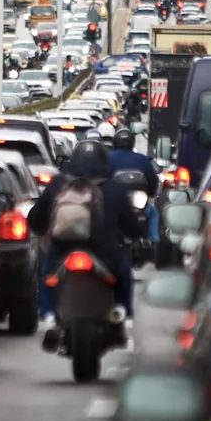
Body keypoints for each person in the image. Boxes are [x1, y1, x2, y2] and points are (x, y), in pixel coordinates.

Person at [28, 140, 145, 326]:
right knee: (123, 271)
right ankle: (123, 313)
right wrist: (139, 234)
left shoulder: (58, 184)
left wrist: (44, 232)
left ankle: (48, 313)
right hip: (105, 253)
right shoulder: (114, 188)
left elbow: (35, 219)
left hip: (62, 250)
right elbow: (131, 224)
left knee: (47, 274)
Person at [108, 129, 161, 246]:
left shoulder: (108, 158)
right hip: (139, 206)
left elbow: (102, 180)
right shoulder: (142, 160)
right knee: (153, 213)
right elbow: (152, 180)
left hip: (115, 206)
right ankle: (153, 241)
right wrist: (151, 194)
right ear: (132, 143)